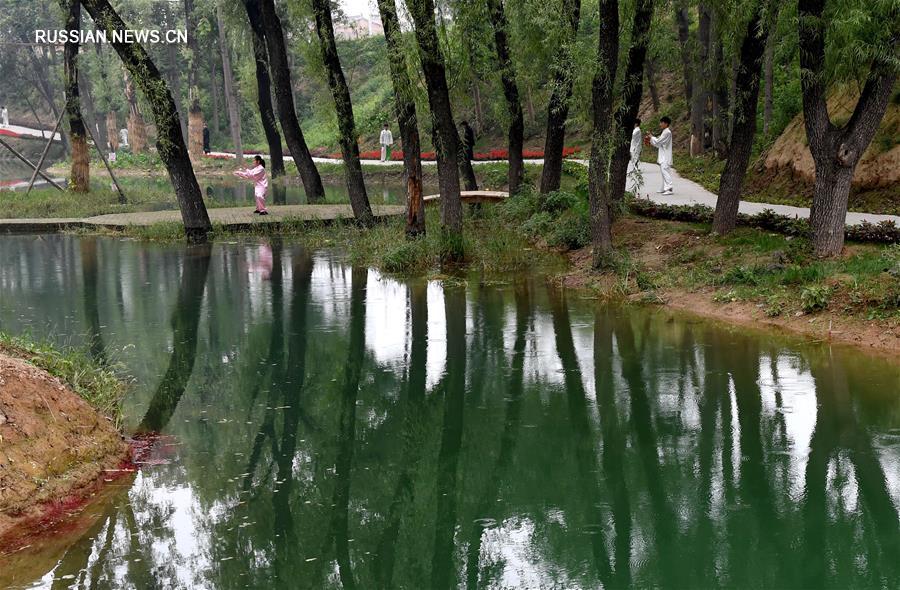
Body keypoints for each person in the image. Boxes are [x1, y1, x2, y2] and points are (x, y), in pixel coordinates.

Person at [646, 116, 673, 195]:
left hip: (666, 155)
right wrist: (652, 139)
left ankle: (669, 188)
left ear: (666, 123)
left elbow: (658, 142)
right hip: (663, 154)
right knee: (663, 171)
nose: (660, 124)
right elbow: (658, 144)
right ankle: (664, 187)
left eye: (662, 122)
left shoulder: (667, 132)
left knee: (665, 171)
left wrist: (652, 137)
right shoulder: (665, 132)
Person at [629, 118, 643, 190]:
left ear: (636, 124)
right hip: (634, 147)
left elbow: (631, 136)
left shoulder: (637, 130)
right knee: (634, 159)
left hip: (635, 147)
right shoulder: (636, 130)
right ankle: (636, 170)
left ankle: (636, 172)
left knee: (635, 159)